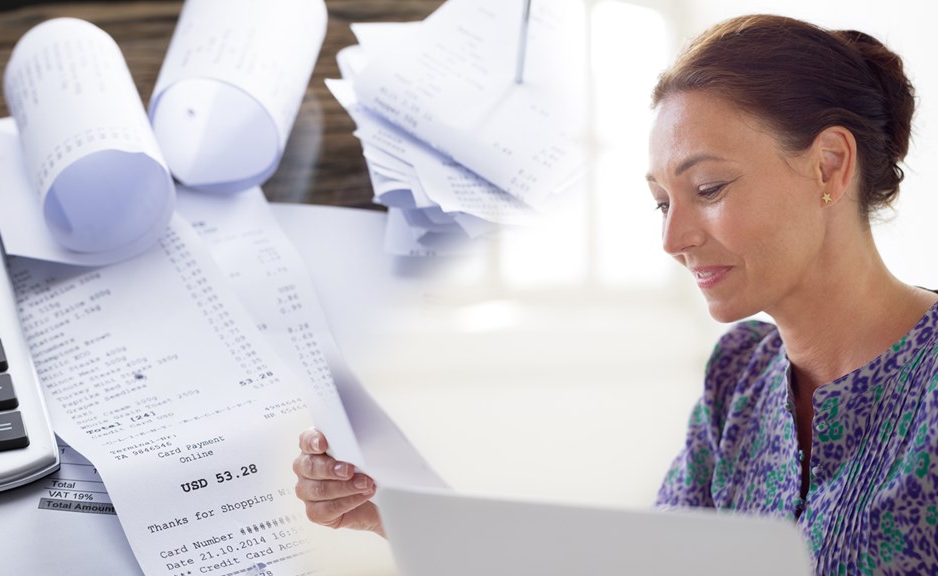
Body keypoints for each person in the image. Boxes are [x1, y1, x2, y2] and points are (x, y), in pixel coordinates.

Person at [293, 14, 938, 573]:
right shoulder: (739, 375)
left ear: (829, 165)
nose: (674, 237)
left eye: (708, 188)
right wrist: (400, 514)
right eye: (662, 203)